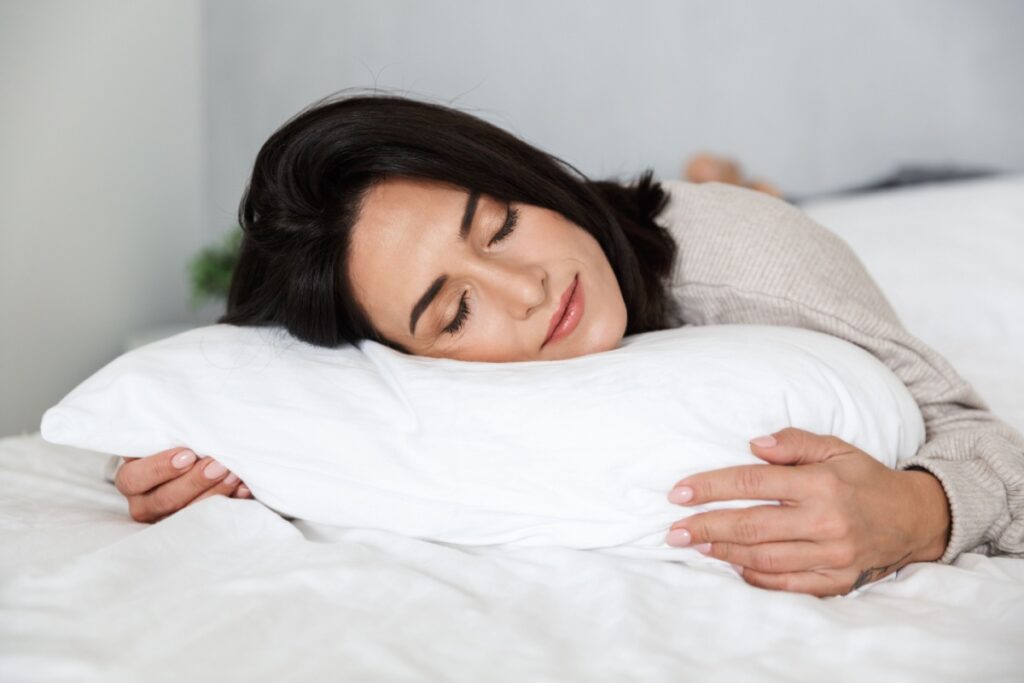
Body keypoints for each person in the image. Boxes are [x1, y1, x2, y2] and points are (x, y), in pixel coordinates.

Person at [111, 93, 1024, 597]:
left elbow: (982, 440)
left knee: (761, 205)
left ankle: (743, 181)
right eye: (453, 312)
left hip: (727, 223)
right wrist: (184, 458)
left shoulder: (755, 266)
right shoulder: (380, 357)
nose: (530, 287)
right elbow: (250, 373)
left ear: (523, 175)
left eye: (501, 224)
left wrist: (923, 512)